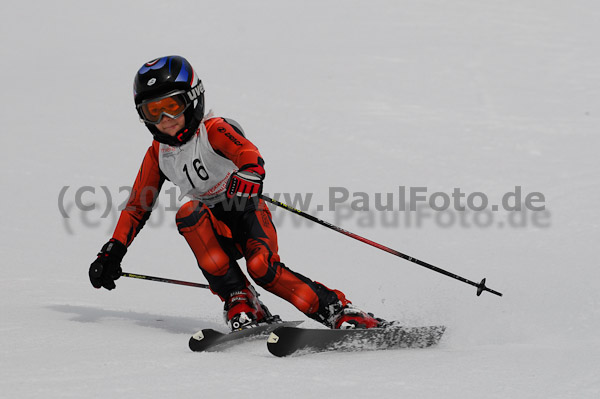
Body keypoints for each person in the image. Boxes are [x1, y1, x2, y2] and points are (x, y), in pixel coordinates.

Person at [89, 55, 382, 331]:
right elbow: (138, 206)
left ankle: (338, 311)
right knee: (188, 213)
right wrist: (113, 251)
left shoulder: (213, 129)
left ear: (192, 98)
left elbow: (247, 152)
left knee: (261, 268)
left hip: (246, 212)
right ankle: (242, 301)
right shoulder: (159, 154)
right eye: (153, 110)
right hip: (214, 230)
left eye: (173, 105)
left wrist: (250, 174)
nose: (165, 118)